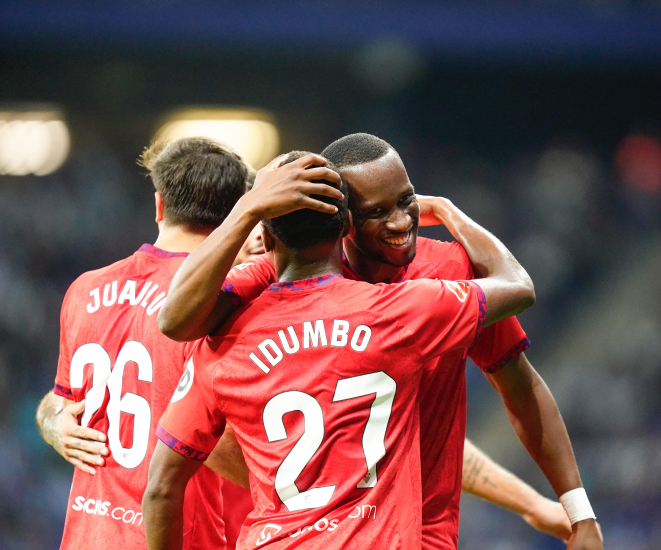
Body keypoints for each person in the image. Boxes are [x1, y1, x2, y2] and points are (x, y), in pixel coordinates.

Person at [158, 135, 601, 549]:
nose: (400, 221)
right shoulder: (281, 277)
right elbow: (180, 336)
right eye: (377, 211)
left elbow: (519, 387)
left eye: (407, 200)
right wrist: (314, 495)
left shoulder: (447, 271)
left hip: (420, 532)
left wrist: (575, 508)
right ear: (342, 218)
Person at [34, 137, 343, 550]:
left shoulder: (85, 289)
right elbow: (217, 447)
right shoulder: (219, 309)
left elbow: (61, 400)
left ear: (160, 206)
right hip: (181, 537)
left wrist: (51, 423)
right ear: (241, 218)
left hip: (86, 537)